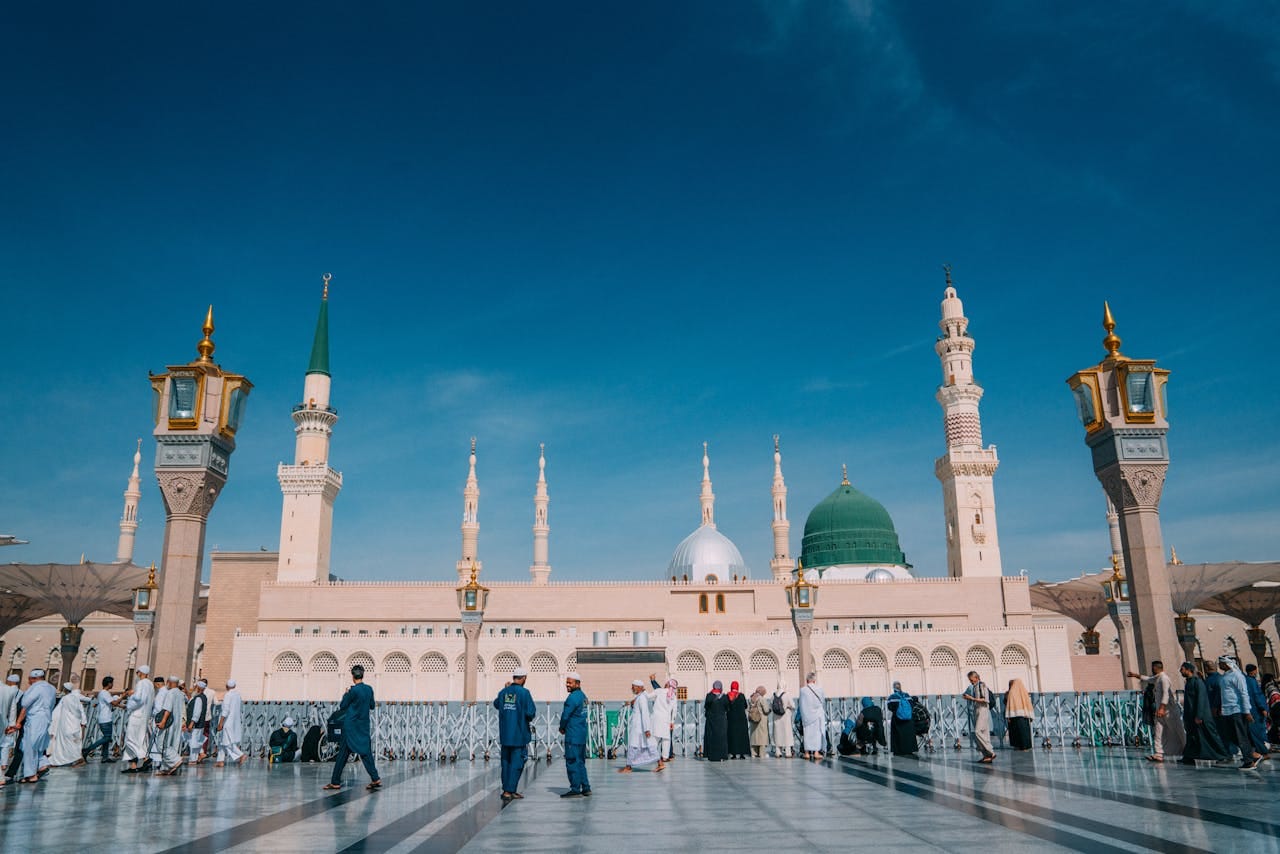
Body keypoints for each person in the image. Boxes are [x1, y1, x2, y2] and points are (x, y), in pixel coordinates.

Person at [324, 665, 381, 791]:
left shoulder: (353, 691)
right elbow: (372, 706)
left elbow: (343, 706)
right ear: (362, 675)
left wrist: (346, 694)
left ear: (353, 676)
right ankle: (375, 778)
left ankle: (335, 782)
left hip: (350, 727)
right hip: (363, 726)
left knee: (342, 754)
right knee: (366, 752)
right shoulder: (369, 689)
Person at [492, 667, 536, 799]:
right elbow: (530, 712)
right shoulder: (524, 693)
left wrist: (506, 689)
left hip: (505, 734)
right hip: (519, 734)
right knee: (517, 762)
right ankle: (509, 790)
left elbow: (496, 704)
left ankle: (508, 789)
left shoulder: (503, 692)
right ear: (524, 678)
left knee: (506, 762)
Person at [1129, 661, 1185, 762]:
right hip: (1160, 711)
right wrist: (1135, 675)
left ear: (1155, 668)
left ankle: (1186, 750)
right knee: (1158, 732)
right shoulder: (1157, 678)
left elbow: (1166, 694)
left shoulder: (1164, 678)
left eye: (1152, 668)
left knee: (1177, 731)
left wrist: (1162, 708)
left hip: (1169, 711)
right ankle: (1159, 753)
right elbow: (1148, 679)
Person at [6, 669, 56, 783]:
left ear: (33, 678)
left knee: (30, 746)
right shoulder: (52, 688)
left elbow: (25, 704)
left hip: (34, 720)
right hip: (46, 719)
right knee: (37, 745)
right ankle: (43, 764)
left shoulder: (36, 688)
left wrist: (18, 722)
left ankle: (31, 775)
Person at [1218, 656, 1265, 770]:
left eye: (1221, 663)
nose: (1219, 665)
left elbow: (1244, 694)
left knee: (1241, 736)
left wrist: (1247, 711)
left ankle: (1249, 762)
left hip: (1237, 710)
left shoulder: (1237, 676)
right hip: (1227, 711)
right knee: (1230, 735)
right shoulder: (1225, 676)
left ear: (1227, 664)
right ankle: (1253, 755)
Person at [1178, 662, 1229, 763]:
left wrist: (1199, 715)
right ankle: (1189, 756)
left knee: (1210, 735)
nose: (1181, 671)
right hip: (1191, 715)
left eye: (1182, 669)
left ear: (1189, 670)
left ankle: (1223, 755)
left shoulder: (1198, 682)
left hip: (1201, 716)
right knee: (1192, 736)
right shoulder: (1189, 682)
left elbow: (1201, 699)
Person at [558, 671, 591, 797]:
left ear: (577, 684)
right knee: (580, 762)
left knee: (572, 761)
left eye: (570, 682)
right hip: (581, 735)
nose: (567, 685)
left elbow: (565, 715)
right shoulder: (583, 696)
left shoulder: (572, 698)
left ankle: (575, 788)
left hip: (572, 735)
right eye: (567, 682)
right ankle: (586, 787)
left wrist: (562, 727)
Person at [620, 679, 662, 773]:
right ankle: (660, 763)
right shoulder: (639, 697)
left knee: (634, 745)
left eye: (633, 686)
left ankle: (628, 767)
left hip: (640, 728)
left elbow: (645, 714)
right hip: (638, 727)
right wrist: (630, 703)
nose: (632, 688)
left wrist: (647, 729)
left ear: (639, 688)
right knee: (649, 745)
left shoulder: (642, 698)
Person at [122, 664, 155, 773]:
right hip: (144, 716)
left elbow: (139, 699)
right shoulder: (150, 684)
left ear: (141, 673)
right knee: (139, 739)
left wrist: (131, 695)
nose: (137, 674)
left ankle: (145, 757)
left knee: (131, 739)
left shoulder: (141, 683)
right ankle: (133, 766)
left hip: (137, 715)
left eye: (138, 672)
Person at [47, 681, 87, 767]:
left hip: (66, 724)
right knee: (71, 742)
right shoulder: (74, 698)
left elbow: (57, 712)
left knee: (66, 742)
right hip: (73, 723)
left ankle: (78, 759)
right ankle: (61, 760)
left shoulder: (65, 699)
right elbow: (81, 710)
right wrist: (83, 721)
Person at [83, 676, 122, 763]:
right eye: (112, 683)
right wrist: (123, 696)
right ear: (109, 684)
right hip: (105, 719)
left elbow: (111, 703)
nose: (112, 685)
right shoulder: (105, 693)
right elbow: (114, 703)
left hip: (104, 718)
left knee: (106, 738)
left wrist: (122, 706)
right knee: (107, 738)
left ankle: (105, 756)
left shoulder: (102, 693)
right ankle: (87, 750)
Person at [962, 671, 996, 763]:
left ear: (976, 678)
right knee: (984, 733)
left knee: (977, 731)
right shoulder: (975, 687)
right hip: (977, 710)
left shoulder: (981, 685)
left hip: (982, 710)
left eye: (972, 680)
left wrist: (971, 698)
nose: (971, 682)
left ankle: (990, 751)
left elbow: (985, 699)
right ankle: (986, 756)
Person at [155, 675, 185, 775]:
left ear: (169, 682)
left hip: (169, 723)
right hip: (177, 723)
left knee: (162, 744)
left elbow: (167, 709)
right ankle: (166, 767)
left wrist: (163, 722)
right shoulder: (181, 694)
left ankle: (175, 760)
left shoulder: (170, 693)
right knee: (173, 744)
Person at [647, 674, 678, 762]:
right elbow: (674, 711)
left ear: (668, 685)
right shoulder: (673, 697)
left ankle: (652, 755)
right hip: (666, 719)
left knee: (655, 737)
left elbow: (648, 696)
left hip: (656, 718)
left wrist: (642, 691)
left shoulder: (659, 691)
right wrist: (672, 722)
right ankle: (665, 757)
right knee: (666, 738)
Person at [216, 678, 246, 767]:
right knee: (222, 741)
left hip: (227, 721)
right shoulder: (237, 695)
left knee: (227, 742)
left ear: (226, 686)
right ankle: (220, 761)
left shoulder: (228, 695)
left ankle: (241, 755)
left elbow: (225, 710)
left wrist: (221, 722)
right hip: (235, 721)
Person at [1243, 664, 1271, 757]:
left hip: (1250, 709)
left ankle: (1259, 750)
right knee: (1259, 731)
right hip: (1256, 710)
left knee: (1254, 731)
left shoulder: (1245, 680)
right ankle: (1263, 751)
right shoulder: (1252, 682)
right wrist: (1263, 708)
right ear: (1254, 671)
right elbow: (1257, 695)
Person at [798, 672, 826, 760]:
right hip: (817, 715)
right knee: (817, 734)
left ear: (807, 681)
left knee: (807, 734)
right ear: (814, 680)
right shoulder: (819, 689)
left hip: (806, 716)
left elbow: (801, 704)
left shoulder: (802, 690)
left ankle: (806, 753)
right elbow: (822, 701)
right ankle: (816, 752)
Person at [887, 682, 917, 757]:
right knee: (909, 735)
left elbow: (890, 707)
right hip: (908, 720)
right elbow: (912, 705)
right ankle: (910, 750)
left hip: (898, 720)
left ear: (894, 688)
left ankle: (898, 750)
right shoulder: (907, 695)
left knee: (897, 735)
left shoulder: (892, 697)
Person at [0, 674, 21, 781]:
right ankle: (2, 772)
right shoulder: (9, 690)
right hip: (4, 721)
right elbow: (13, 709)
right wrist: (12, 724)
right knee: (4, 744)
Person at [1005, 678, 1035, 751]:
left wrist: (1008, 715)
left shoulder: (1011, 692)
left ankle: (1017, 745)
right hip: (1024, 716)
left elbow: (1008, 704)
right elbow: (1028, 704)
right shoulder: (1024, 692)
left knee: (1015, 732)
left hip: (1013, 716)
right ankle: (1025, 747)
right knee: (1024, 732)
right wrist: (1030, 715)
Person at [702, 680, 729, 761]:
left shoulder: (709, 696)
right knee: (721, 738)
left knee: (711, 737)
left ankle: (712, 756)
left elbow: (706, 707)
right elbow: (727, 708)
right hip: (721, 721)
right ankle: (722, 756)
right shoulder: (724, 696)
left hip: (711, 720)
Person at [185, 680, 210, 763]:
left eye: (196, 686)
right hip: (199, 724)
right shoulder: (202, 696)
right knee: (195, 740)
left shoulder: (199, 698)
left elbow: (197, 712)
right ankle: (201, 753)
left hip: (196, 724)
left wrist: (192, 723)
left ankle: (193, 759)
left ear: (198, 688)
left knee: (193, 742)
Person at [725, 680, 750, 759]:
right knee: (741, 736)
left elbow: (726, 706)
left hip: (731, 719)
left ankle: (733, 754)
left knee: (733, 736)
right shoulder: (741, 696)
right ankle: (742, 754)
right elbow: (745, 706)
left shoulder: (728, 695)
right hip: (741, 719)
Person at [770, 683, 794, 758]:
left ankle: (778, 752)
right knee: (787, 734)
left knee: (777, 734)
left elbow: (771, 706)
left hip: (776, 717)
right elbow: (793, 705)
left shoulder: (773, 696)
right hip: (785, 717)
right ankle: (788, 752)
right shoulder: (786, 695)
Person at [747, 685, 770, 758]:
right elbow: (766, 710)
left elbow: (748, 709)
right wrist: (770, 710)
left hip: (753, 720)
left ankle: (754, 753)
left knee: (754, 736)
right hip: (761, 720)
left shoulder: (751, 698)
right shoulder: (762, 699)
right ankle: (762, 753)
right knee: (762, 737)